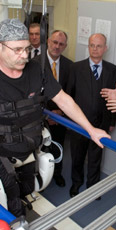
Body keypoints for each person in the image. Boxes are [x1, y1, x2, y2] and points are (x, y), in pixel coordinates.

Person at [0, 19, 110, 217]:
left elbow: (64, 100)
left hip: (29, 150)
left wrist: (90, 129)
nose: (24, 55)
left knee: (25, 191)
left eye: (27, 49)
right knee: (6, 204)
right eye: (17, 50)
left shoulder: (37, 70)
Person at [66, 33, 116, 198]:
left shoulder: (112, 70)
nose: (95, 49)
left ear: (105, 48)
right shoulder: (76, 68)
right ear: (88, 47)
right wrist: (70, 121)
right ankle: (76, 183)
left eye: (99, 46)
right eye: (92, 45)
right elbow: (68, 95)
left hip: (101, 123)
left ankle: (93, 187)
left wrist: (112, 121)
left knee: (96, 157)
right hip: (79, 124)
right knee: (77, 156)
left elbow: (114, 98)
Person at [43, 30, 73, 187]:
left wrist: (61, 113)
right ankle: (41, 176)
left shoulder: (70, 65)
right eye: (54, 42)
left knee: (58, 146)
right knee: (41, 148)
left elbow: (70, 92)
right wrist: (47, 114)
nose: (57, 46)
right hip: (42, 116)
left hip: (61, 117)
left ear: (65, 46)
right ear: (48, 41)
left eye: (61, 44)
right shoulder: (35, 63)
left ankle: (57, 173)